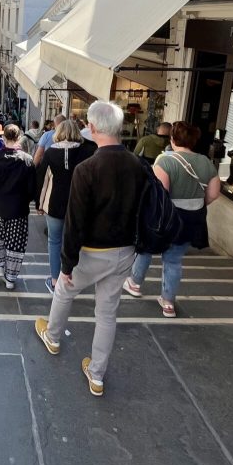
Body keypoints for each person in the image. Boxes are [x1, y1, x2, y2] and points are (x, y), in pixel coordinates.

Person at [34, 101, 146, 397]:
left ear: (93, 128)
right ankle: (96, 375)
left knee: (64, 290)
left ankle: (54, 336)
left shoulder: (89, 168)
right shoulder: (138, 165)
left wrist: (67, 264)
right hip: (124, 251)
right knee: (107, 314)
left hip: (92, 250)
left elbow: (75, 220)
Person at [123, 122, 220, 317]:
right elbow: (214, 194)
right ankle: (168, 303)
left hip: (167, 216)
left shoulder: (165, 161)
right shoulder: (206, 162)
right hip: (192, 217)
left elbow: (161, 194)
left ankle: (135, 283)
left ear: (173, 138)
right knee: (174, 260)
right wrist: (197, 204)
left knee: (146, 249)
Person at [35, 120, 97, 291]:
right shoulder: (89, 151)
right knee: (77, 242)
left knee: (54, 241)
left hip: (54, 203)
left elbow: (43, 180)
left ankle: (56, 280)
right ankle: (75, 277)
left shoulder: (50, 153)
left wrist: (39, 204)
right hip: (81, 204)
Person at [0, 125, 36, 290]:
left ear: (3, 138)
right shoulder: (27, 159)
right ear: (19, 138)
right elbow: (32, 188)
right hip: (18, 208)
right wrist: (30, 200)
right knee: (15, 243)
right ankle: (11, 278)